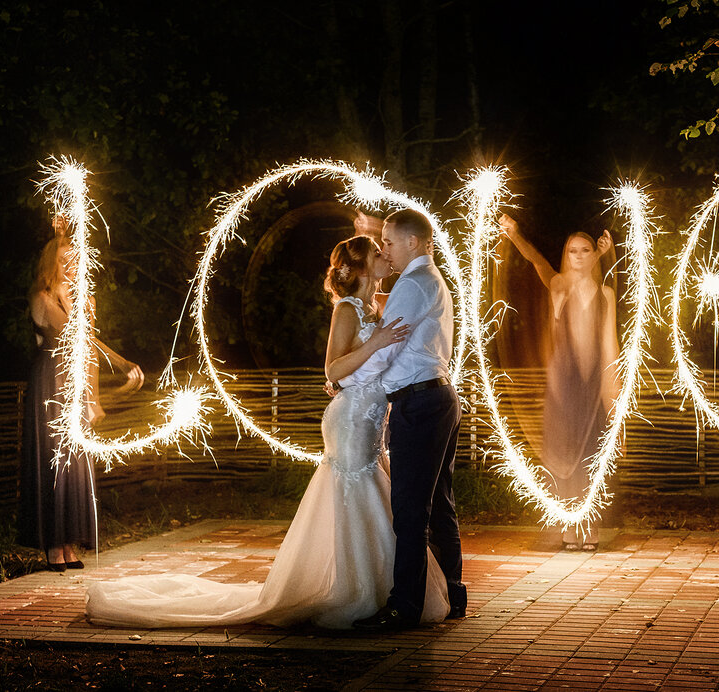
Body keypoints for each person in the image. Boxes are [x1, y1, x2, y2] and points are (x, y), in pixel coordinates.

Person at [85, 235, 452, 628]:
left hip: (374, 416)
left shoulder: (378, 305)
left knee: (376, 492)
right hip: (350, 419)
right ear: (361, 269)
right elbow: (332, 369)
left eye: (385, 250)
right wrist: (373, 344)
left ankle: (381, 590)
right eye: (377, 253)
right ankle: (351, 589)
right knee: (354, 491)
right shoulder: (346, 309)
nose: (384, 257)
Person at [350, 208, 467, 631]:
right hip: (437, 397)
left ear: (413, 242)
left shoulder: (413, 283)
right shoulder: (431, 281)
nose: (384, 249)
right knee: (439, 506)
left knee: (411, 510)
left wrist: (347, 377)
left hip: (420, 404)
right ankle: (452, 593)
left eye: (389, 241)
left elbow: (386, 350)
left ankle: (404, 608)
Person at [18, 214, 144, 571]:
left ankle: (69, 543)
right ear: (51, 264)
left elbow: (87, 349)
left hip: (73, 385)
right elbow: (73, 337)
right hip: (51, 383)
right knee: (53, 460)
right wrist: (120, 363)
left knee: (74, 465)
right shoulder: (41, 297)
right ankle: (52, 545)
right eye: (63, 260)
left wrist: (94, 397)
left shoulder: (81, 300)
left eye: (75, 259)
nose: (71, 265)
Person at [498, 214, 620, 551]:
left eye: (585, 250)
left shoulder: (605, 294)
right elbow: (536, 260)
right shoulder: (559, 288)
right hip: (564, 386)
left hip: (593, 386)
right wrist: (515, 234)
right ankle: (571, 523)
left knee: (592, 452)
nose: (578, 256)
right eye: (572, 251)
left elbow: (611, 346)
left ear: (592, 255)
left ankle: (590, 523)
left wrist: (615, 395)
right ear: (565, 256)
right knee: (567, 457)